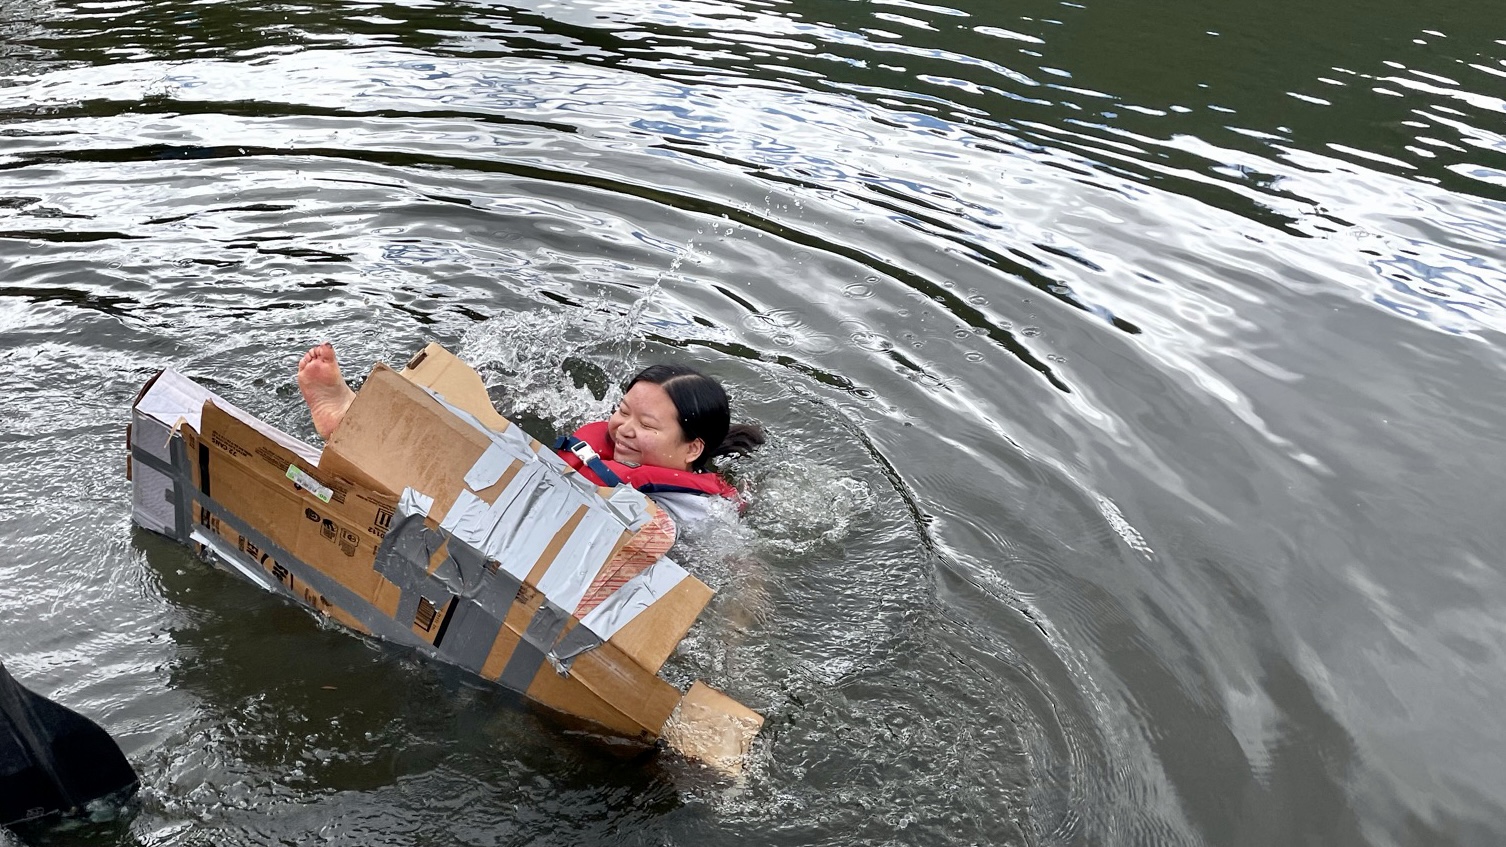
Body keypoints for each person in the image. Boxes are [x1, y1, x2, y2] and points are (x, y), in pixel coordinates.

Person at [296, 343, 763, 531]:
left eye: (647, 426)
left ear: (693, 448)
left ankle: (357, 425)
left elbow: (740, 575)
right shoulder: (602, 444)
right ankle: (352, 415)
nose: (623, 429)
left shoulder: (706, 514)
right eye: (622, 412)